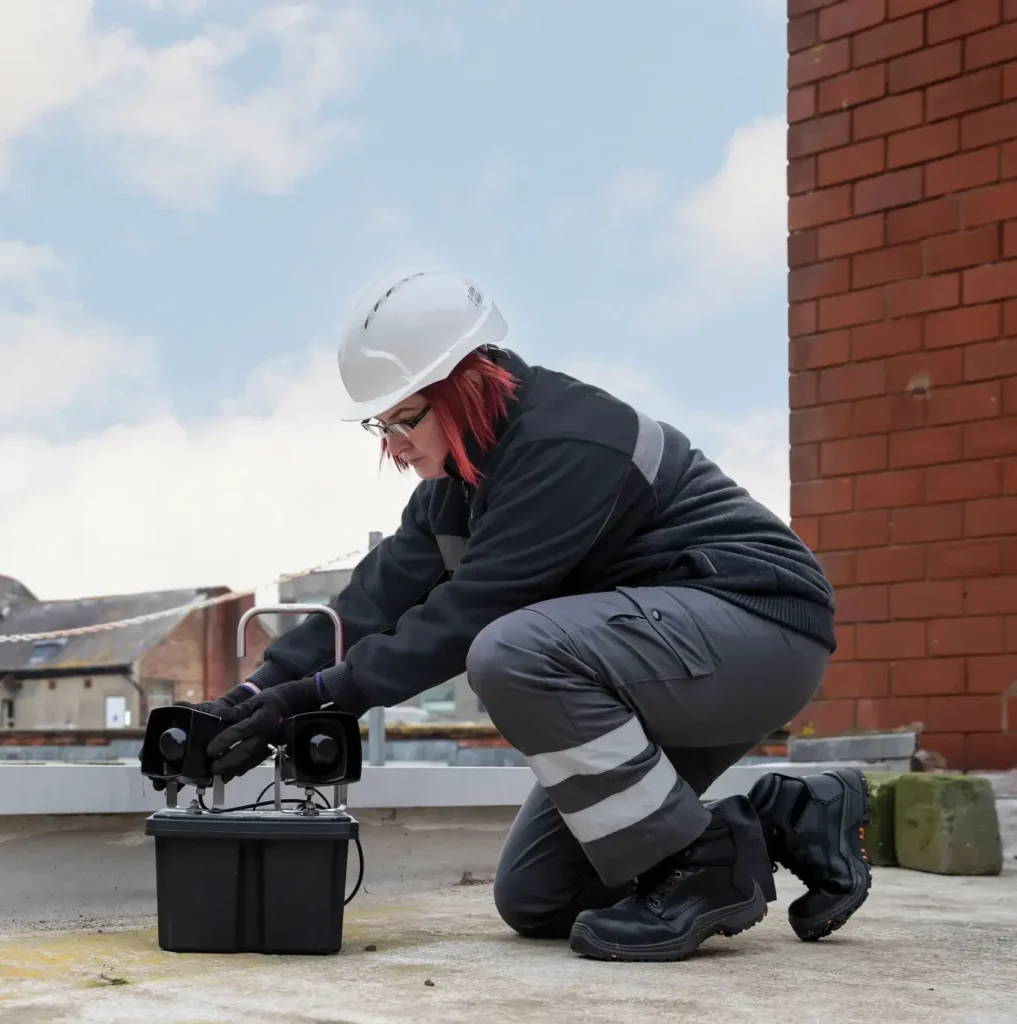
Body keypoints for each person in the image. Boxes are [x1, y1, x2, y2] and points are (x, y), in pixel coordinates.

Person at [194, 268, 871, 962]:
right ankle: (789, 815)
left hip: (754, 630)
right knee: (541, 897)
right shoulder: (458, 485)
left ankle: (699, 862)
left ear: (466, 383)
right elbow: (370, 602)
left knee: (508, 651)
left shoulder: (564, 442)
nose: (392, 445)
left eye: (404, 419)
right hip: (657, 663)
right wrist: (252, 695)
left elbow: (468, 616)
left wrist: (312, 700)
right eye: (380, 424)